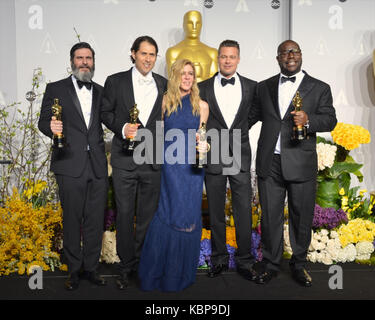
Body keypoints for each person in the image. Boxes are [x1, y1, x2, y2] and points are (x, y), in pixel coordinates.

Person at [250, 40, 337, 286]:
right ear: (277, 58)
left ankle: (299, 265)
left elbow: (330, 120)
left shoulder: (319, 87)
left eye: (294, 51)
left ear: (300, 55)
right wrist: (219, 130)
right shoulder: (263, 87)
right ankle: (270, 264)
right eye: (284, 52)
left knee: (301, 216)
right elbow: (250, 117)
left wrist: (309, 121)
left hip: (300, 162)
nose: (290, 55)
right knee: (270, 217)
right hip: (270, 162)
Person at [38, 42, 108, 290]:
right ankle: (74, 270)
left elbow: (111, 118)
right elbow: (44, 121)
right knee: (71, 219)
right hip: (69, 163)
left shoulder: (101, 91)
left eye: (89, 58)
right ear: (72, 61)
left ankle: (91, 268)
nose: (84, 62)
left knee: (94, 220)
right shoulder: (55, 88)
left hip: (98, 166)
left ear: (93, 61)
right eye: (80, 58)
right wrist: (51, 128)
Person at [100, 36, 167, 290]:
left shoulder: (164, 84)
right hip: (124, 161)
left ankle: (144, 265)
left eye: (152, 55)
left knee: (148, 217)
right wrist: (123, 127)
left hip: (152, 161)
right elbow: (105, 112)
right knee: (126, 215)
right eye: (144, 54)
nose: (148, 59)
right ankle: (126, 266)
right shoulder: (115, 81)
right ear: (133, 54)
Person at [138, 59, 209, 292]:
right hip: (170, 167)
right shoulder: (164, 102)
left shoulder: (202, 105)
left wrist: (204, 148)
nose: (187, 77)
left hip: (193, 169)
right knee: (169, 214)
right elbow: (155, 135)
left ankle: (179, 275)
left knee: (189, 217)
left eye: (191, 73)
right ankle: (159, 272)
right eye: (183, 73)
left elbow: (203, 137)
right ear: (175, 76)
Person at [198, 40, 258, 281]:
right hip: (213, 154)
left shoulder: (252, 87)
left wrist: (239, 131)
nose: (227, 60)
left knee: (243, 209)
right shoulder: (202, 87)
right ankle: (219, 259)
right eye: (223, 56)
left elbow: (254, 114)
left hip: (240, 155)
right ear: (218, 58)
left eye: (232, 57)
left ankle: (245, 261)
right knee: (215, 210)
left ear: (239, 59)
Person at [166, 10, 218, 82]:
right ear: (184, 25)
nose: (194, 27)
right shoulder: (173, 52)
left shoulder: (212, 53)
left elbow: (213, 83)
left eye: (198, 23)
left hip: (206, 93)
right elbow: (173, 82)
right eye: (190, 23)